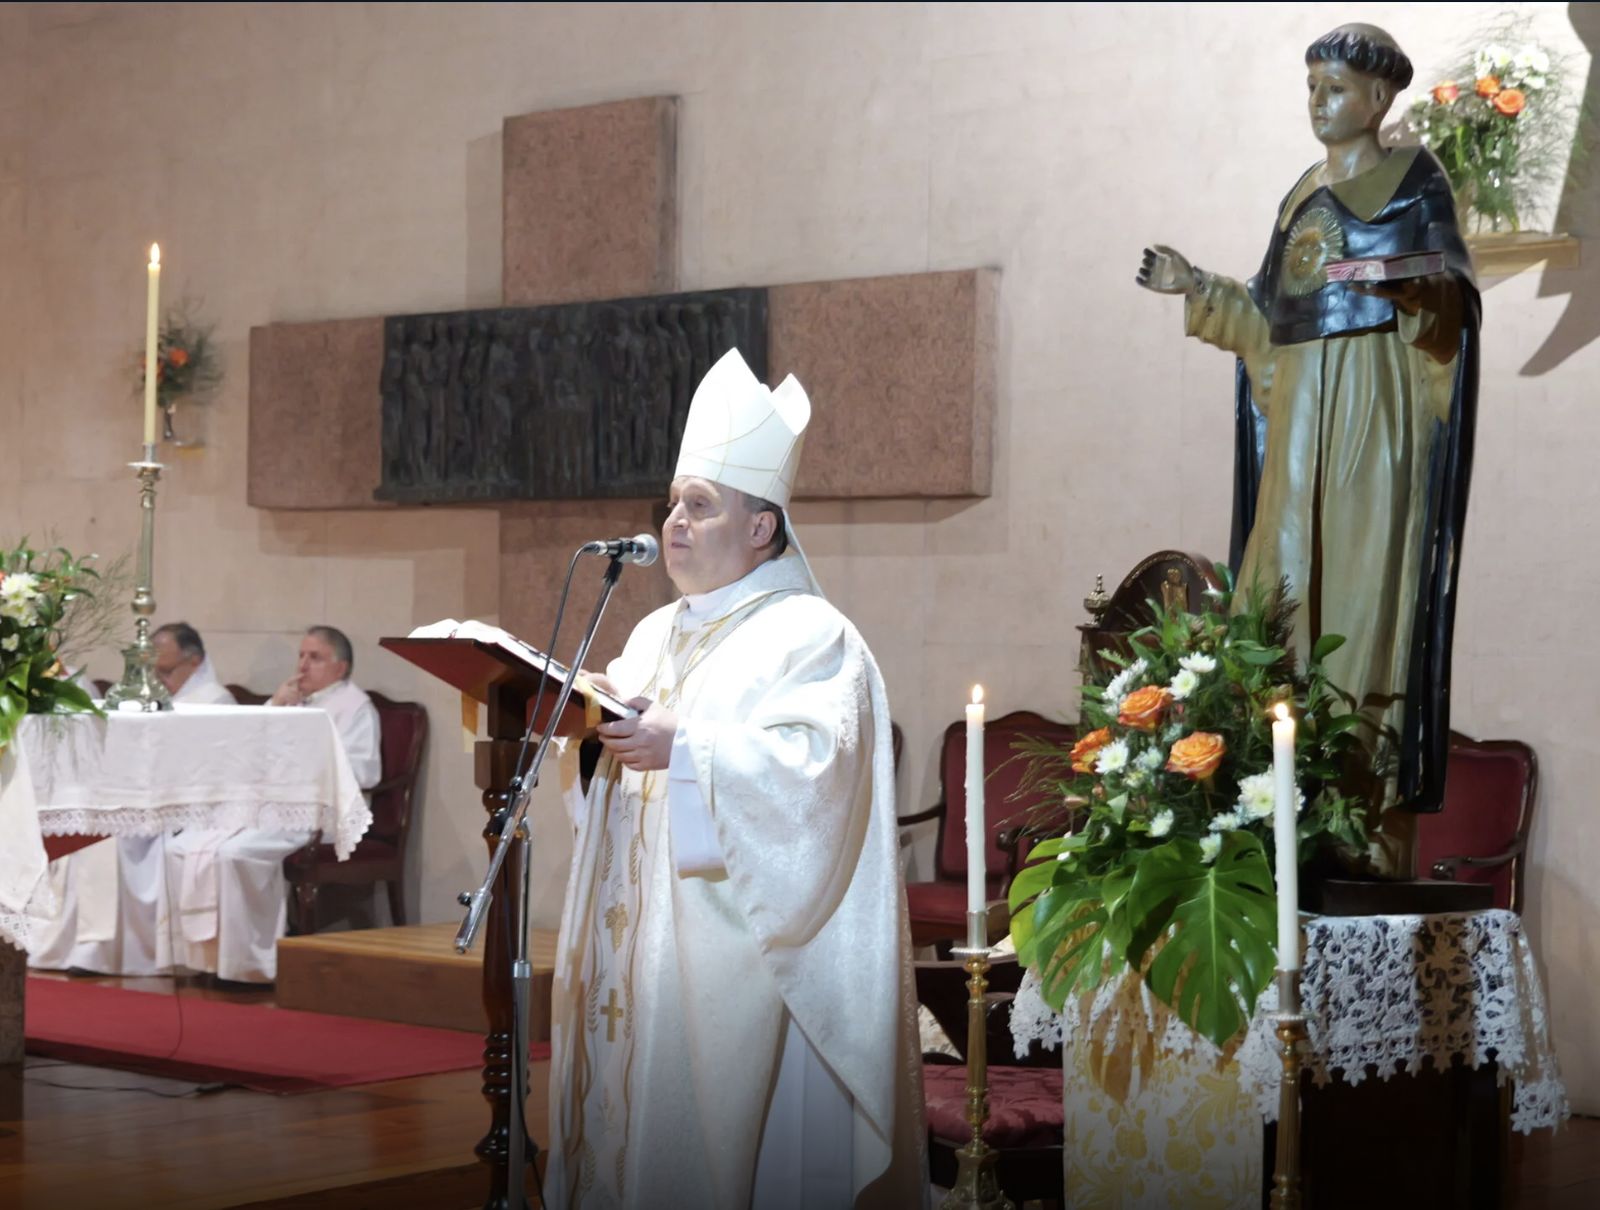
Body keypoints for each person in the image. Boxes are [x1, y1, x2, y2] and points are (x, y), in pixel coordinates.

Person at [545, 348, 926, 1209]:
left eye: (700, 505)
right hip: (640, 951)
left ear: (762, 528)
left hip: (747, 967)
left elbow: (816, 784)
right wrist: (594, 736)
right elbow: (610, 768)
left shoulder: (813, 637)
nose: (674, 521)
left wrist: (689, 746)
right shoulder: (649, 633)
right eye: (674, 503)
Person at [1136, 23, 1480, 872]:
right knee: (1274, 596)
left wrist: (1409, 283)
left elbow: (1451, 305)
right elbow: (1266, 319)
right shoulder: (1300, 198)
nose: (1320, 102)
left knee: (1364, 606)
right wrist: (1198, 286)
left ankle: (1358, 826)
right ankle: (1267, 807)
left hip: (1377, 408)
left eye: (1336, 88)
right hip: (1297, 418)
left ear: (1378, 100)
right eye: (1312, 86)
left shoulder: (1415, 183)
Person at [165, 625, 381, 982]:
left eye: (315, 657)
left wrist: (306, 765)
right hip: (265, 808)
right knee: (181, 847)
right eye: (301, 655)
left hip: (316, 814)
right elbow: (247, 749)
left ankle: (251, 966)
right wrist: (277, 705)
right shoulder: (294, 699)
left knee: (236, 855)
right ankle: (207, 962)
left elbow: (365, 770)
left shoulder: (355, 707)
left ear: (340, 668)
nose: (303, 664)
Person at [30, 622, 236, 975]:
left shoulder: (215, 701)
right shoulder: (149, 698)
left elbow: (209, 774)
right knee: (87, 830)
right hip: (137, 799)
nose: (157, 679)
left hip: (180, 810)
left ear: (196, 661)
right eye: (151, 670)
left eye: (166, 670)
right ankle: (85, 949)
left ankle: (106, 951)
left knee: (105, 839)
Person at [153, 621, 238, 705]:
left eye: (167, 671)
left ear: (194, 661)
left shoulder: (218, 702)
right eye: (154, 673)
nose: (157, 681)